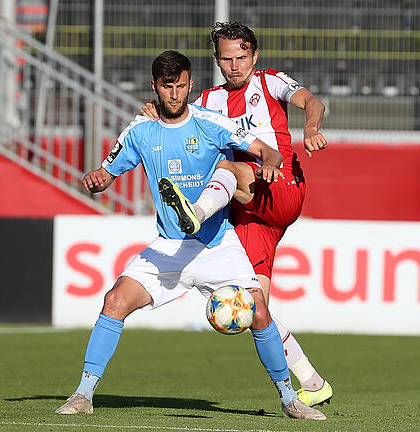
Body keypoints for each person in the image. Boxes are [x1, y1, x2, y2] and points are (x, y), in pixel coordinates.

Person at [54, 50, 325, 420]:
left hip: (217, 244)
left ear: (190, 84)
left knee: (259, 312)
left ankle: (289, 399)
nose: (175, 94)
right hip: (169, 248)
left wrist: (270, 162)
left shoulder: (210, 122)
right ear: (155, 87)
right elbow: (105, 175)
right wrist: (97, 180)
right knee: (114, 300)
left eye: (181, 86)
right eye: (168, 87)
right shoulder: (140, 130)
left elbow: (265, 150)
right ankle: (83, 395)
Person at [140, 22, 332, 407]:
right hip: (248, 211)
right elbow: (177, 118)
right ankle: (313, 383)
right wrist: (153, 111)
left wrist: (311, 127)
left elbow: (314, 103)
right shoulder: (207, 103)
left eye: (241, 57)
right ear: (216, 60)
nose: (234, 65)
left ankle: (194, 214)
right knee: (253, 303)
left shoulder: (271, 82)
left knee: (228, 169)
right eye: (226, 59)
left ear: (254, 56)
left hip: (281, 187)